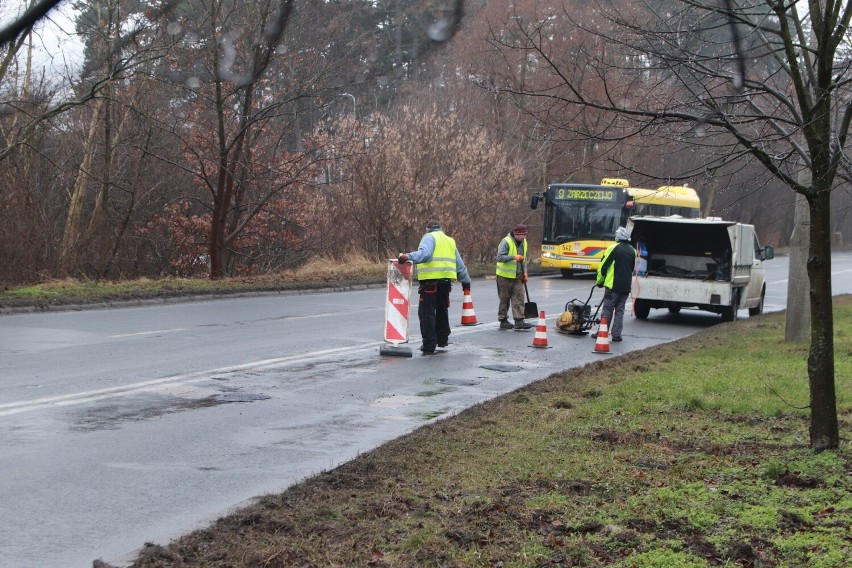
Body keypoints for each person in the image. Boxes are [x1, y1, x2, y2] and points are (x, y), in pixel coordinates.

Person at [398, 220, 471, 354]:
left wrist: (407, 256)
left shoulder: (429, 237)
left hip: (430, 283)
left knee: (427, 313)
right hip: (445, 282)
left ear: (428, 229)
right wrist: (466, 281)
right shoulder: (450, 240)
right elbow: (459, 264)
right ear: (440, 228)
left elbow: (424, 254)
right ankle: (442, 339)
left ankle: (429, 344)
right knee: (442, 311)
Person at [593, 226, 637, 342]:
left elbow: (603, 266)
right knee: (620, 311)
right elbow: (632, 269)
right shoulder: (633, 251)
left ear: (618, 237)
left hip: (612, 286)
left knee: (607, 309)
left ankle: (602, 333)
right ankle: (616, 335)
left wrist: (600, 281)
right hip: (625, 288)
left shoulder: (613, 248)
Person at [495, 224, 532, 330]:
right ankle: (503, 320)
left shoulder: (524, 242)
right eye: (523, 235)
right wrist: (514, 257)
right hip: (504, 276)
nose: (525, 237)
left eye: (525, 234)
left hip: (518, 275)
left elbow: (524, 259)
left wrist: (525, 272)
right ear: (517, 234)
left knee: (519, 297)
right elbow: (499, 257)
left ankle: (519, 320)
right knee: (504, 299)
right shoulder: (506, 242)